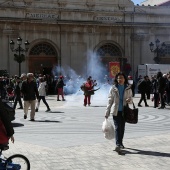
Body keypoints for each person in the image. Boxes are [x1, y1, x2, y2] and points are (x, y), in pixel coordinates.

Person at [105, 72, 132, 152]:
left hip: (124, 111)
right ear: (116, 79)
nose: (120, 79)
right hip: (116, 111)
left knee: (122, 128)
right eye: (118, 78)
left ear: (124, 79)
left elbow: (131, 99)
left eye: (122, 78)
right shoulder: (113, 88)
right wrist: (107, 112)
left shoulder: (128, 88)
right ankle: (118, 144)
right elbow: (110, 101)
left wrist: (129, 100)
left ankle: (121, 143)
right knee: (117, 127)